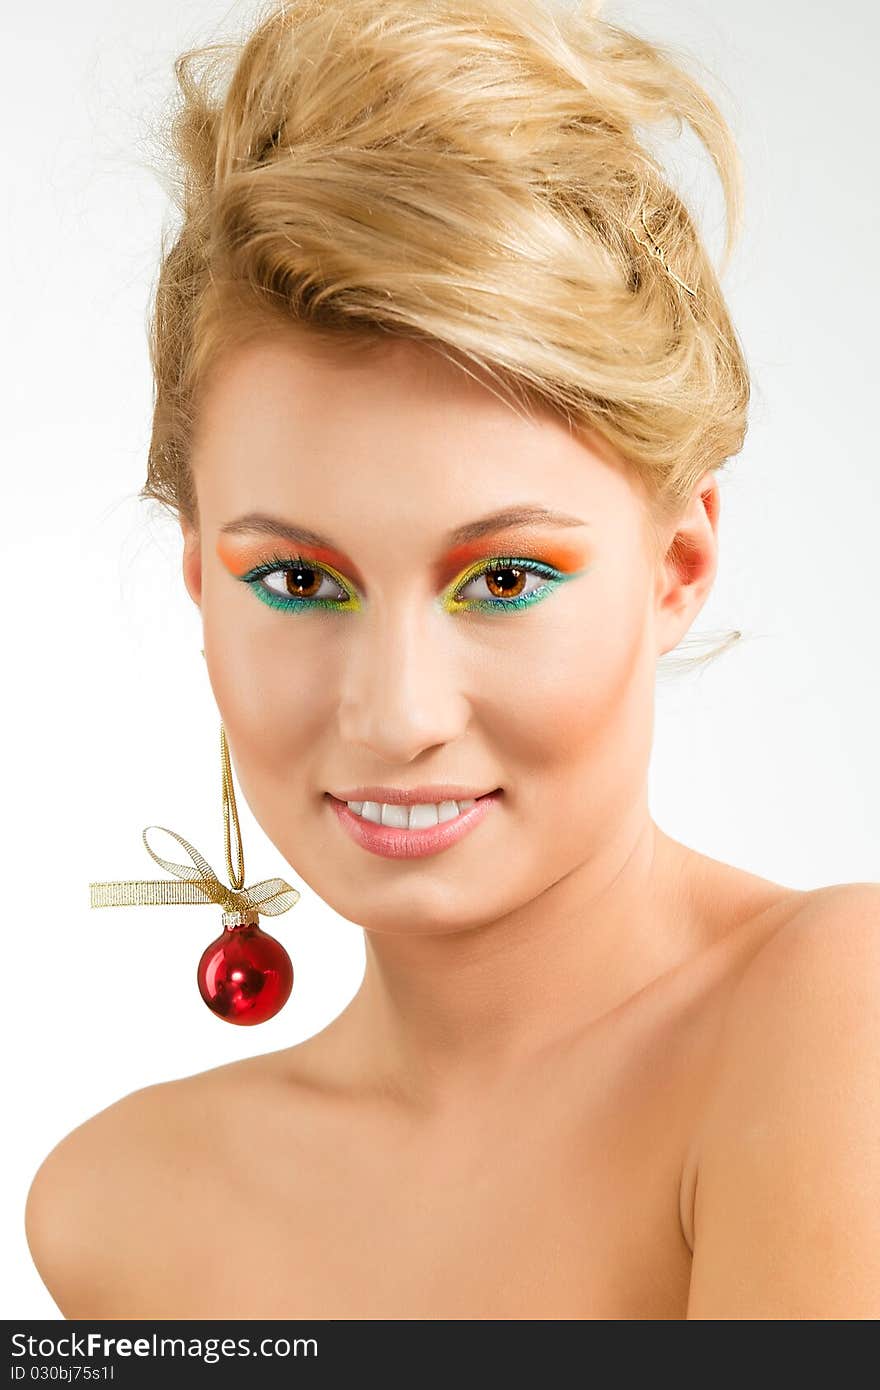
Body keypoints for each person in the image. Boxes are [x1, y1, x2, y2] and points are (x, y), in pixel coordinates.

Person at [24, 0, 880, 1319]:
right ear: (203, 585)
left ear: (678, 567)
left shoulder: (839, 1014)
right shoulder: (112, 1209)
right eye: (298, 580)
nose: (398, 712)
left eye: (504, 577)